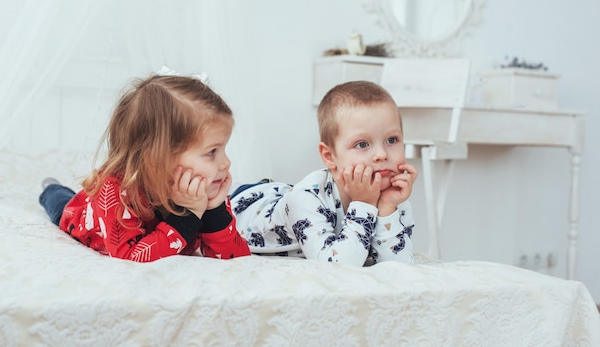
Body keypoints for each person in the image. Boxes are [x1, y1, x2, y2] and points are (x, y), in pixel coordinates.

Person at [39, 74, 251, 262]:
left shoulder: (202, 191)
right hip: (81, 216)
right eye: (211, 152)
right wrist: (189, 214)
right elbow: (131, 257)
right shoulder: (115, 191)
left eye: (223, 150)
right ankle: (50, 187)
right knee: (60, 204)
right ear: (157, 158)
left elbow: (235, 258)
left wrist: (214, 211)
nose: (226, 163)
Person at [230, 80, 417, 266]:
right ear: (329, 156)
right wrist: (363, 203)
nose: (382, 154)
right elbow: (338, 265)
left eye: (392, 140)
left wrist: (386, 208)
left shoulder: (392, 196)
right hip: (241, 203)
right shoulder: (305, 199)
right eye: (362, 144)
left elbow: (398, 266)